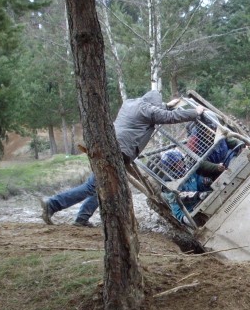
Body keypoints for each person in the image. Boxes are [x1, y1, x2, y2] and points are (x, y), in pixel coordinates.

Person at [40, 90, 204, 226]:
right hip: (117, 152)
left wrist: (167, 105)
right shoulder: (147, 110)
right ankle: (52, 204)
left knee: (105, 186)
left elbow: (157, 111)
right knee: (92, 186)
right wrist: (194, 112)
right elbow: (167, 117)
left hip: (111, 148)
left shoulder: (131, 103)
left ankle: (82, 219)